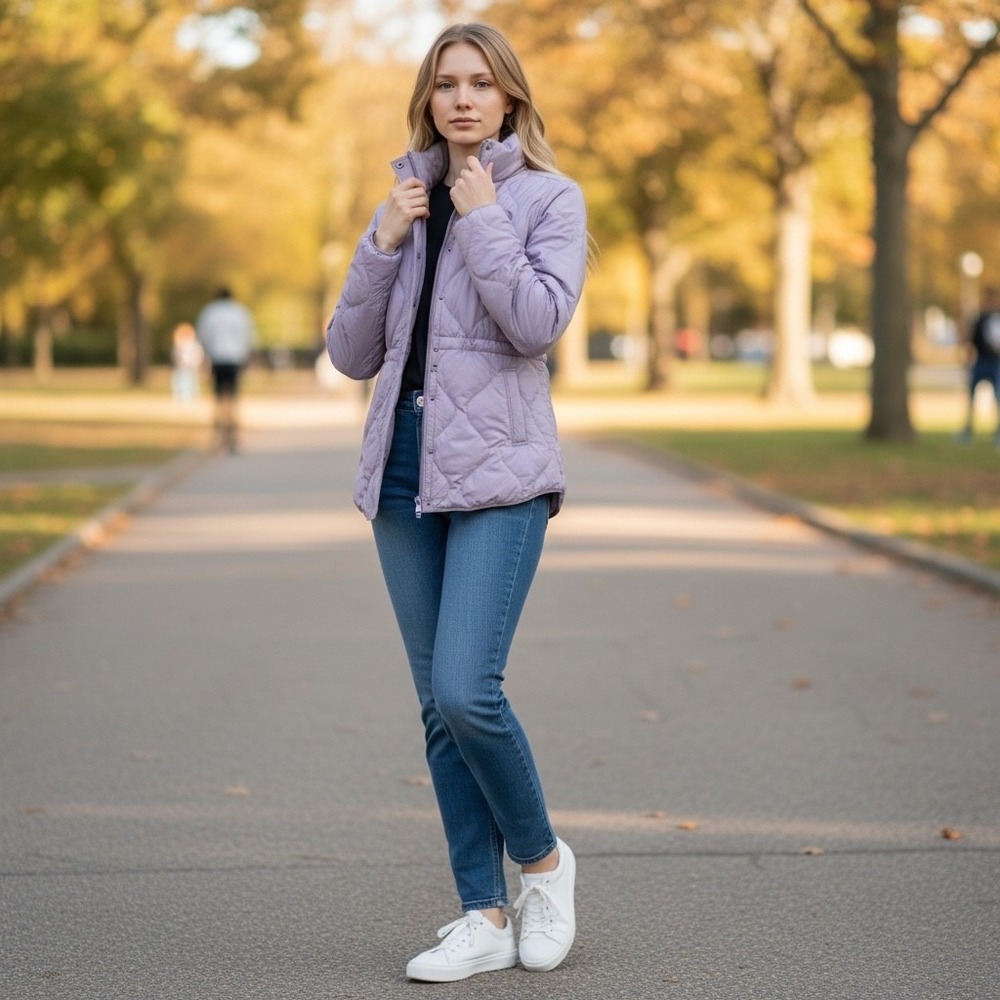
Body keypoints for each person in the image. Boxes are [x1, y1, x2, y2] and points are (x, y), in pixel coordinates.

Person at [326, 22, 588, 983]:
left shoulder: (549, 198)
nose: (464, 99)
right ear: (427, 100)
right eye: (447, 84)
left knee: (466, 690)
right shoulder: (404, 200)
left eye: (481, 83)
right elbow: (350, 354)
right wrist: (381, 243)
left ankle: (543, 866)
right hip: (403, 471)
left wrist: (483, 221)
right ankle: (482, 913)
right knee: (436, 709)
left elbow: (537, 324)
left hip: (500, 474)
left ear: (511, 97)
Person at [195, 287, 256, 452]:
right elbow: (248, 336)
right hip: (235, 358)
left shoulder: (209, 312)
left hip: (216, 358)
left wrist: (206, 355)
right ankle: (233, 437)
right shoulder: (240, 312)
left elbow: (203, 336)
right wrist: (246, 357)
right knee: (233, 397)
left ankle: (217, 436)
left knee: (218, 397)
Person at [958, 285, 1000, 447]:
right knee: (971, 396)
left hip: (995, 362)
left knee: (997, 397)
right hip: (981, 361)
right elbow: (971, 340)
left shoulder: (996, 319)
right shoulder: (980, 320)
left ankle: (997, 432)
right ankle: (967, 430)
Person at [170, 321, 203, 402]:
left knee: (191, 380)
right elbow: (175, 355)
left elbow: (198, 354)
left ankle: (191, 395)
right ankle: (181, 395)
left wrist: (196, 362)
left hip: (191, 365)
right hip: (181, 366)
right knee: (180, 380)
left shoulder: (194, 345)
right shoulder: (179, 346)